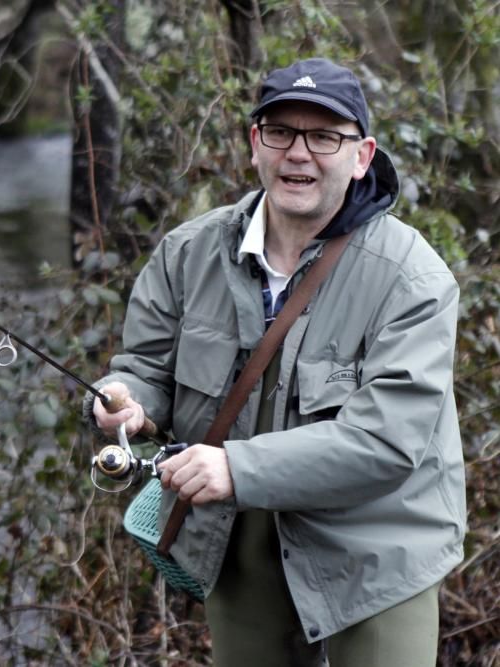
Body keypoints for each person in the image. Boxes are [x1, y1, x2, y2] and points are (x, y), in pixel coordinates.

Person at [84, 58, 466, 667]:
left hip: (378, 550)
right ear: (254, 143)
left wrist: (234, 466)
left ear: (362, 156)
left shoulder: (413, 278)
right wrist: (123, 402)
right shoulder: (187, 253)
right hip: (234, 543)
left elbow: (387, 444)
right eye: (281, 132)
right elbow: (144, 370)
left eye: (324, 137)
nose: (299, 154)